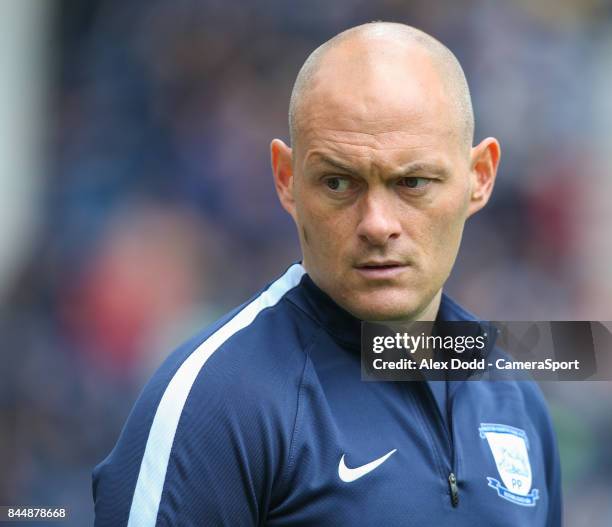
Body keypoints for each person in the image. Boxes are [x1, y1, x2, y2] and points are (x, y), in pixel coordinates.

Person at [92, 22, 561, 526]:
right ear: (287, 180)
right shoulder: (215, 404)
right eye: (338, 182)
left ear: (480, 178)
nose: (378, 224)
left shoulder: (515, 396)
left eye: (413, 182)